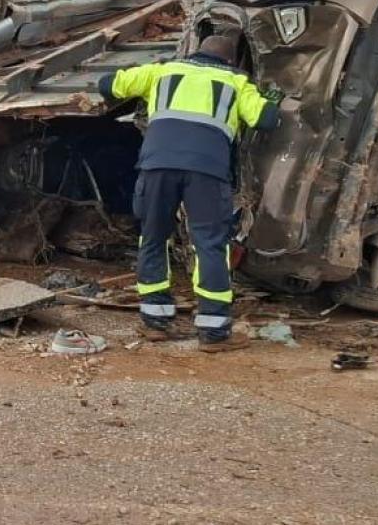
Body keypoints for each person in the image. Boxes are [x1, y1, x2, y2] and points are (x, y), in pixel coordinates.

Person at [96, 31, 280, 353]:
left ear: (196, 52)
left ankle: (155, 322)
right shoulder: (236, 83)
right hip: (207, 173)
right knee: (210, 244)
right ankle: (213, 332)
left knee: (153, 238)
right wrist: (272, 97)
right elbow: (266, 120)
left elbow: (107, 85)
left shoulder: (163, 71)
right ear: (230, 62)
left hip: (157, 167)